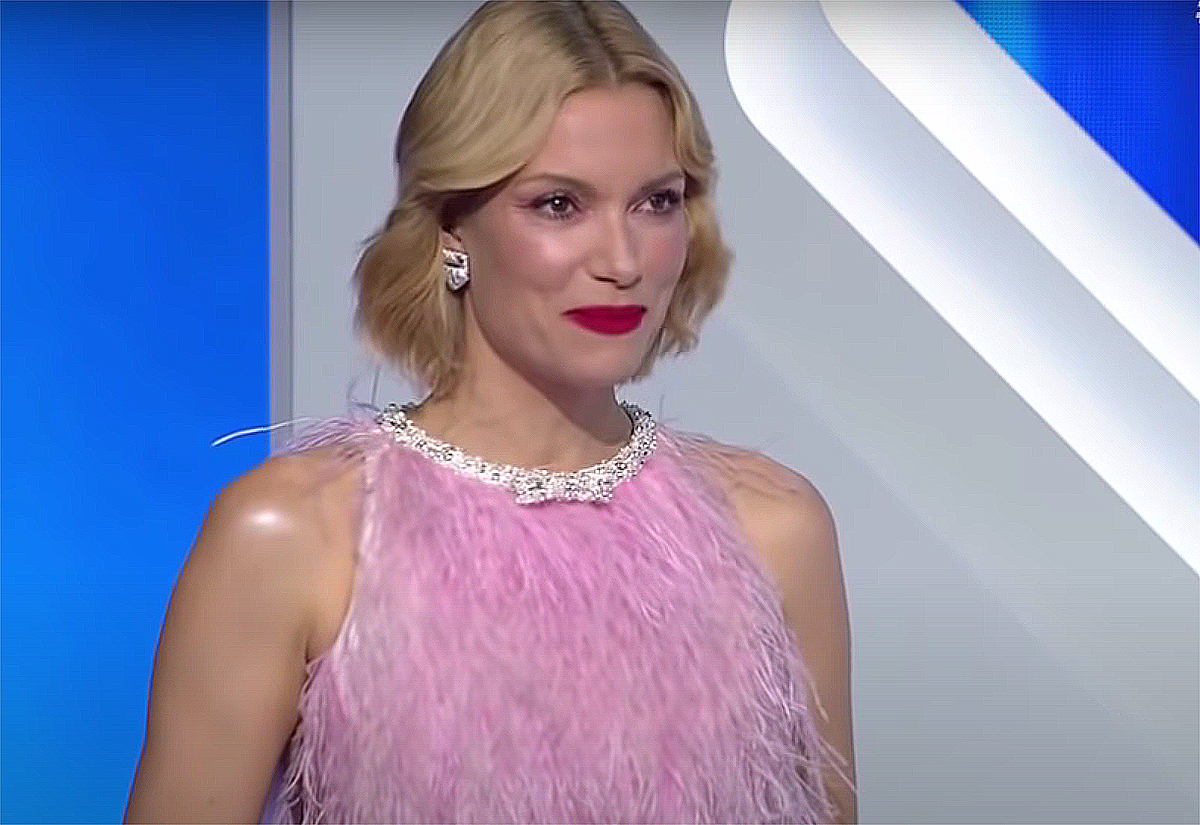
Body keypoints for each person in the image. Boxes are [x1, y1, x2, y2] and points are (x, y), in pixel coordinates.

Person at [124, 1, 857, 822]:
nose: (623, 261)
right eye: (559, 205)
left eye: (656, 202)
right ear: (450, 228)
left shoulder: (773, 530)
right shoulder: (296, 536)